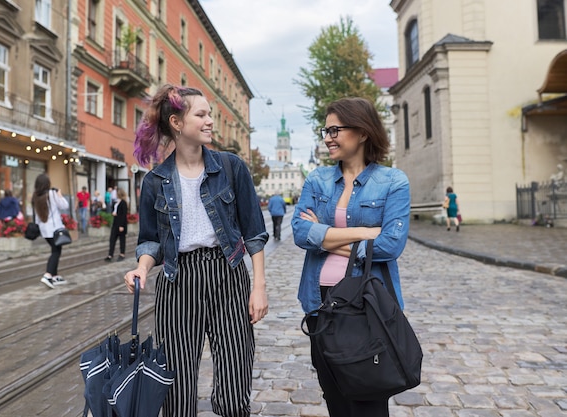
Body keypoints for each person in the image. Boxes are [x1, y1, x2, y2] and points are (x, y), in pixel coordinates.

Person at [123, 84, 269, 417]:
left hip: (227, 276)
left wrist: (258, 287)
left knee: (235, 388)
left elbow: (255, 232)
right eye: (201, 115)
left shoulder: (231, 169)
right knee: (176, 389)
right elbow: (151, 241)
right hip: (178, 281)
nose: (209, 122)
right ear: (176, 122)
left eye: (209, 115)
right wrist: (142, 268)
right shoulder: (155, 181)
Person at [292, 97, 410, 417]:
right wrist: (366, 234)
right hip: (321, 303)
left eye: (335, 129)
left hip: (367, 303)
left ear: (362, 132)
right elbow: (300, 232)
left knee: (369, 399)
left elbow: (390, 246)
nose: (328, 137)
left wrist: (326, 237)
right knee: (335, 398)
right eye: (325, 130)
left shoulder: (393, 181)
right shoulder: (318, 180)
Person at [33, 173, 69, 289]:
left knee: (55, 249)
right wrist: (59, 195)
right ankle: (48, 274)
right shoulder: (52, 194)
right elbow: (64, 205)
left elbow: (37, 217)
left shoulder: (35, 197)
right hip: (55, 229)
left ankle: (55, 276)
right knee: (56, 252)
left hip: (44, 230)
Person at [104, 187, 128, 262]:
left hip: (121, 223)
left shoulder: (123, 203)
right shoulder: (116, 202)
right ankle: (110, 254)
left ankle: (122, 254)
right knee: (112, 239)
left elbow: (124, 215)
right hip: (115, 222)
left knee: (122, 239)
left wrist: (122, 225)